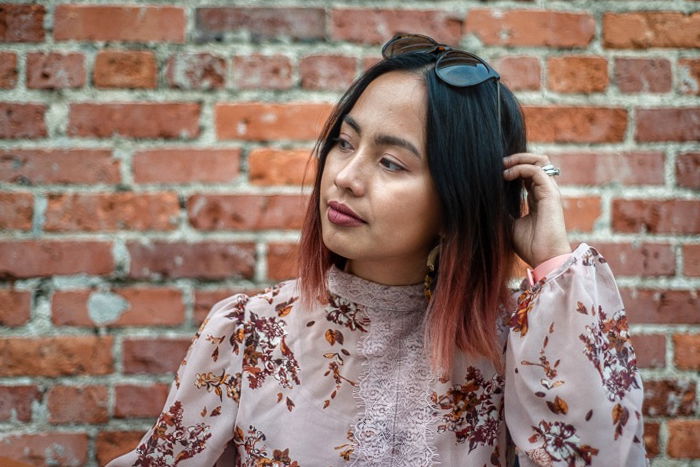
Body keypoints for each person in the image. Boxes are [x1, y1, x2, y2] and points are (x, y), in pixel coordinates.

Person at [106, 32, 647, 466]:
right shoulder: (252, 333)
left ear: (457, 197)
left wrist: (551, 260)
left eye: (392, 162)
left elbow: (598, 453)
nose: (345, 176)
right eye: (345, 142)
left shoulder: (514, 346)